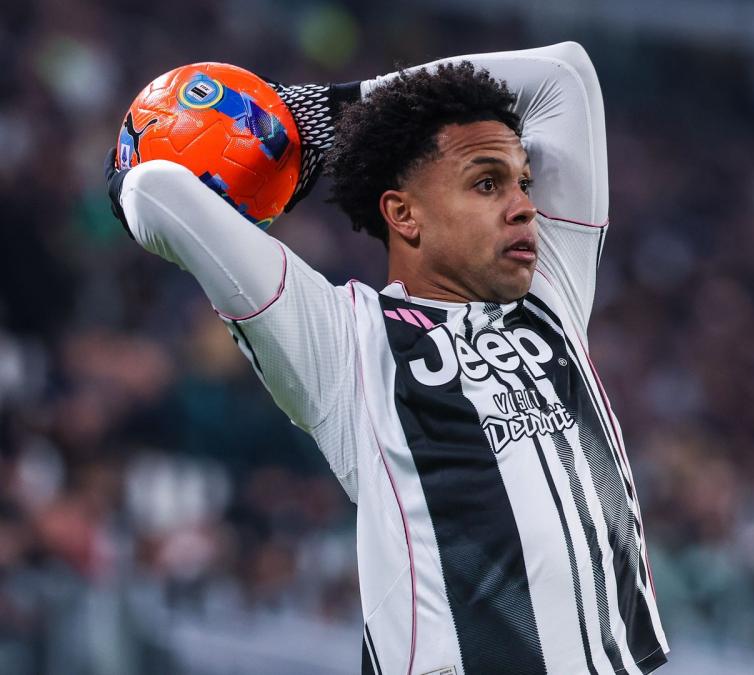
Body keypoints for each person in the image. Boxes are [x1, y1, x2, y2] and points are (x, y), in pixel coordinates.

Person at [105, 43, 669, 675]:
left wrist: (333, 109)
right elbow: (153, 188)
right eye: (487, 184)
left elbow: (565, 73)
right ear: (404, 214)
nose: (523, 206)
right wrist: (292, 135)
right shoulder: (345, 343)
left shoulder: (550, 297)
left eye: (524, 183)